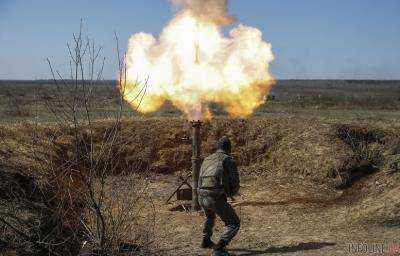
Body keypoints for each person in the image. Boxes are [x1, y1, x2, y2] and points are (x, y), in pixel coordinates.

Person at [197, 136, 240, 256]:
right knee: (234, 222)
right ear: (228, 148)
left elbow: (199, 178)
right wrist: (231, 194)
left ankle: (206, 240)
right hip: (214, 197)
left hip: (201, 196)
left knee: (210, 217)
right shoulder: (228, 160)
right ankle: (219, 248)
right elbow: (234, 181)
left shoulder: (207, 159)